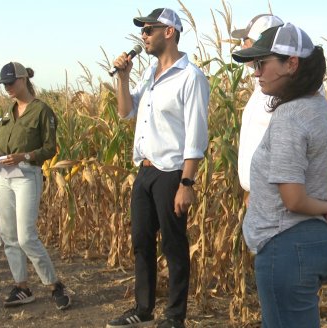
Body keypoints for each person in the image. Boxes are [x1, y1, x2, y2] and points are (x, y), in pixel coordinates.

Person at [232, 23, 327, 327]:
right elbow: (324, 184)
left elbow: (293, 199)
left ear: (292, 63)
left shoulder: (290, 116)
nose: (256, 71)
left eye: (262, 63)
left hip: (286, 247)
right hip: (311, 243)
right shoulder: (324, 111)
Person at [106, 8, 209, 328]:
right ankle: (143, 308)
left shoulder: (191, 77)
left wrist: (186, 183)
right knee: (140, 239)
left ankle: (175, 315)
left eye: (149, 30)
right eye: (142, 31)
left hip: (172, 172)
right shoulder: (148, 73)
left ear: (169, 32)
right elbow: (126, 112)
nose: (143, 36)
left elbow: (196, 133)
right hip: (146, 170)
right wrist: (123, 77)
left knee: (174, 245)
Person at [0, 62, 71, 310]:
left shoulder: (42, 111)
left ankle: (55, 285)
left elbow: (49, 148)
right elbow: (1, 147)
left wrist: (24, 156)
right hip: (3, 176)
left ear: (23, 79)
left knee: (26, 237)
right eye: (4, 85)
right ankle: (22, 288)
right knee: (9, 236)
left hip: (26, 175)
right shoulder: (7, 114)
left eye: (11, 83)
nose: (8, 88)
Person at [231, 14, 284, 200]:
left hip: (274, 197)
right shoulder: (260, 84)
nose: (242, 45)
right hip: (257, 195)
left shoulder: (286, 84)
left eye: (246, 40)